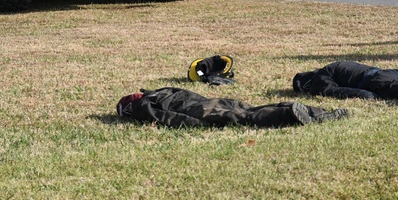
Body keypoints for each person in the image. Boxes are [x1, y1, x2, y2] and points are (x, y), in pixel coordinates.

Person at [116, 87, 348, 128]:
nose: (134, 94)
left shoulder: (154, 92)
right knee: (247, 114)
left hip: (207, 104)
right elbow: (167, 117)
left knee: (248, 110)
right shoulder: (143, 105)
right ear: (129, 105)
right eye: (129, 97)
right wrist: (199, 123)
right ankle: (296, 114)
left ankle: (314, 113)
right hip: (201, 109)